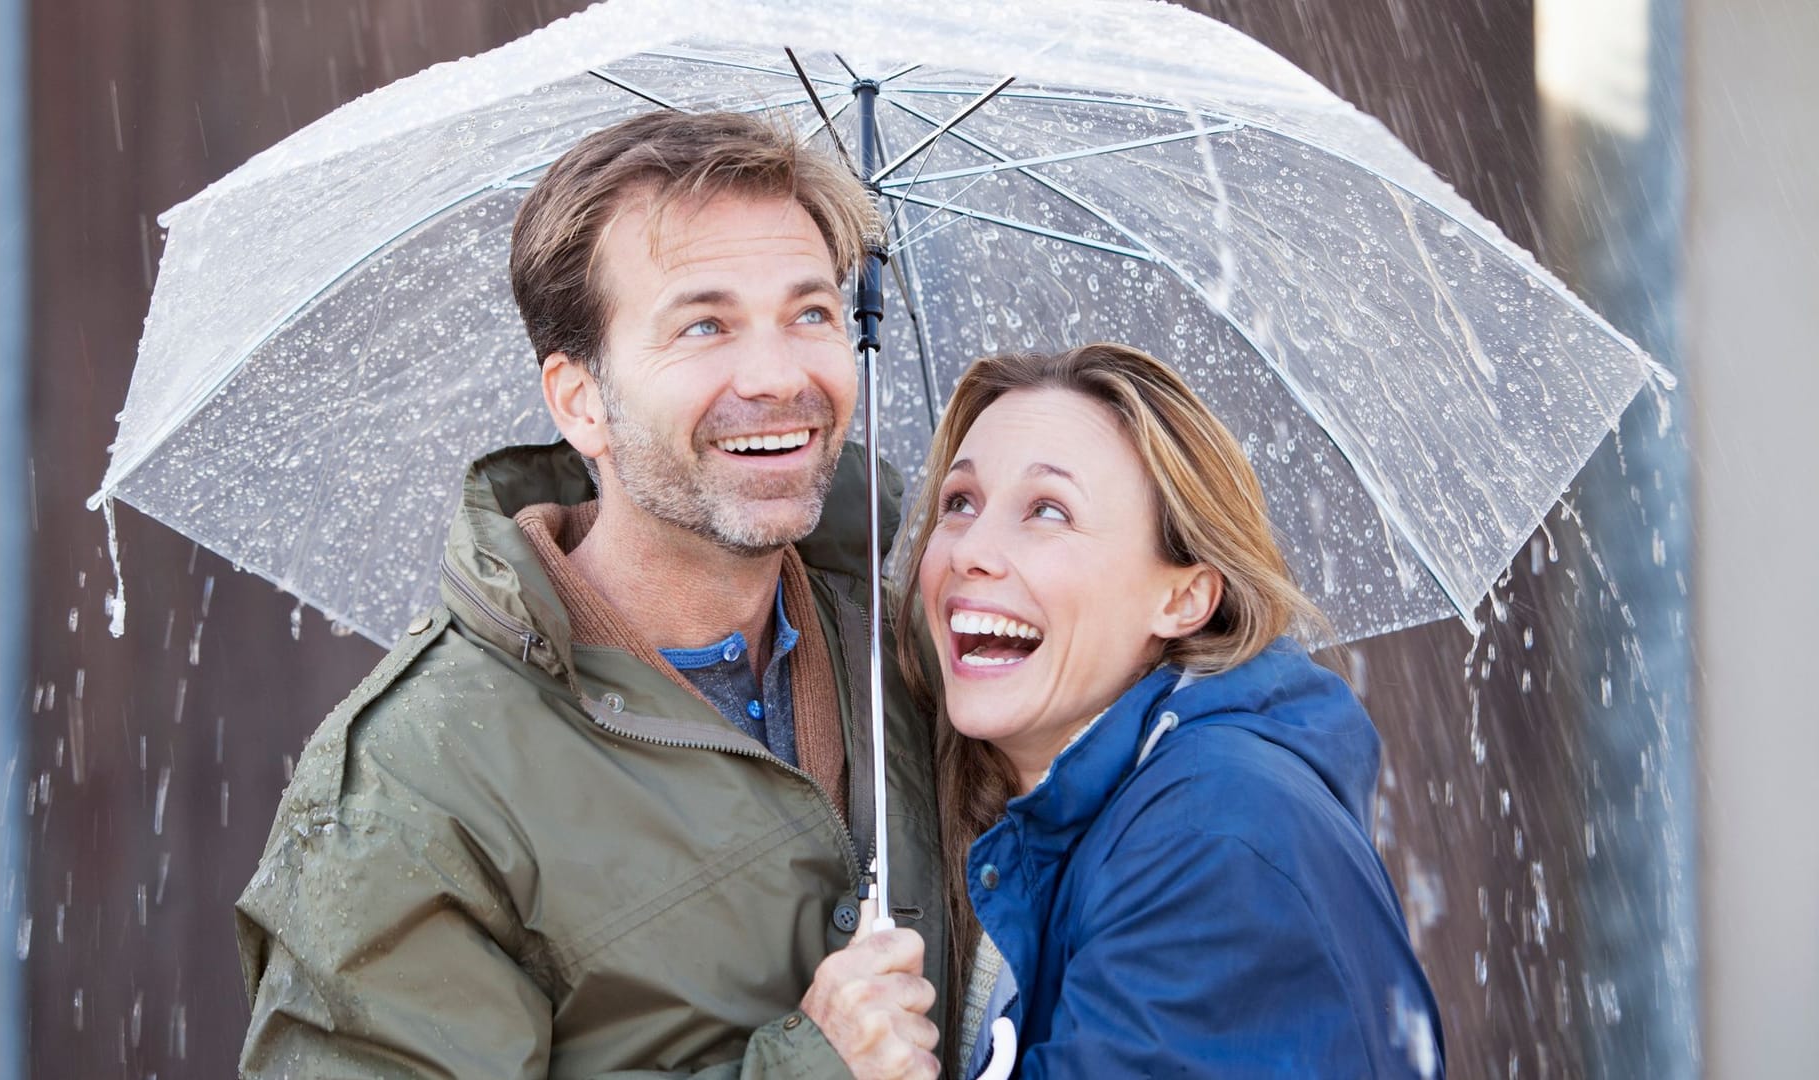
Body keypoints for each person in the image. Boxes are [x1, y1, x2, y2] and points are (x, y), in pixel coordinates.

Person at [235, 111, 946, 1079]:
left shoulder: (915, 653)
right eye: (705, 325)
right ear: (580, 402)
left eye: (812, 313)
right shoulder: (418, 780)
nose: (779, 376)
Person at [895, 343, 1445, 1078]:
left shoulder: (1215, 831)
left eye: (1048, 511)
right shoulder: (1055, 817)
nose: (972, 552)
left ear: (1183, 598)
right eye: (960, 502)